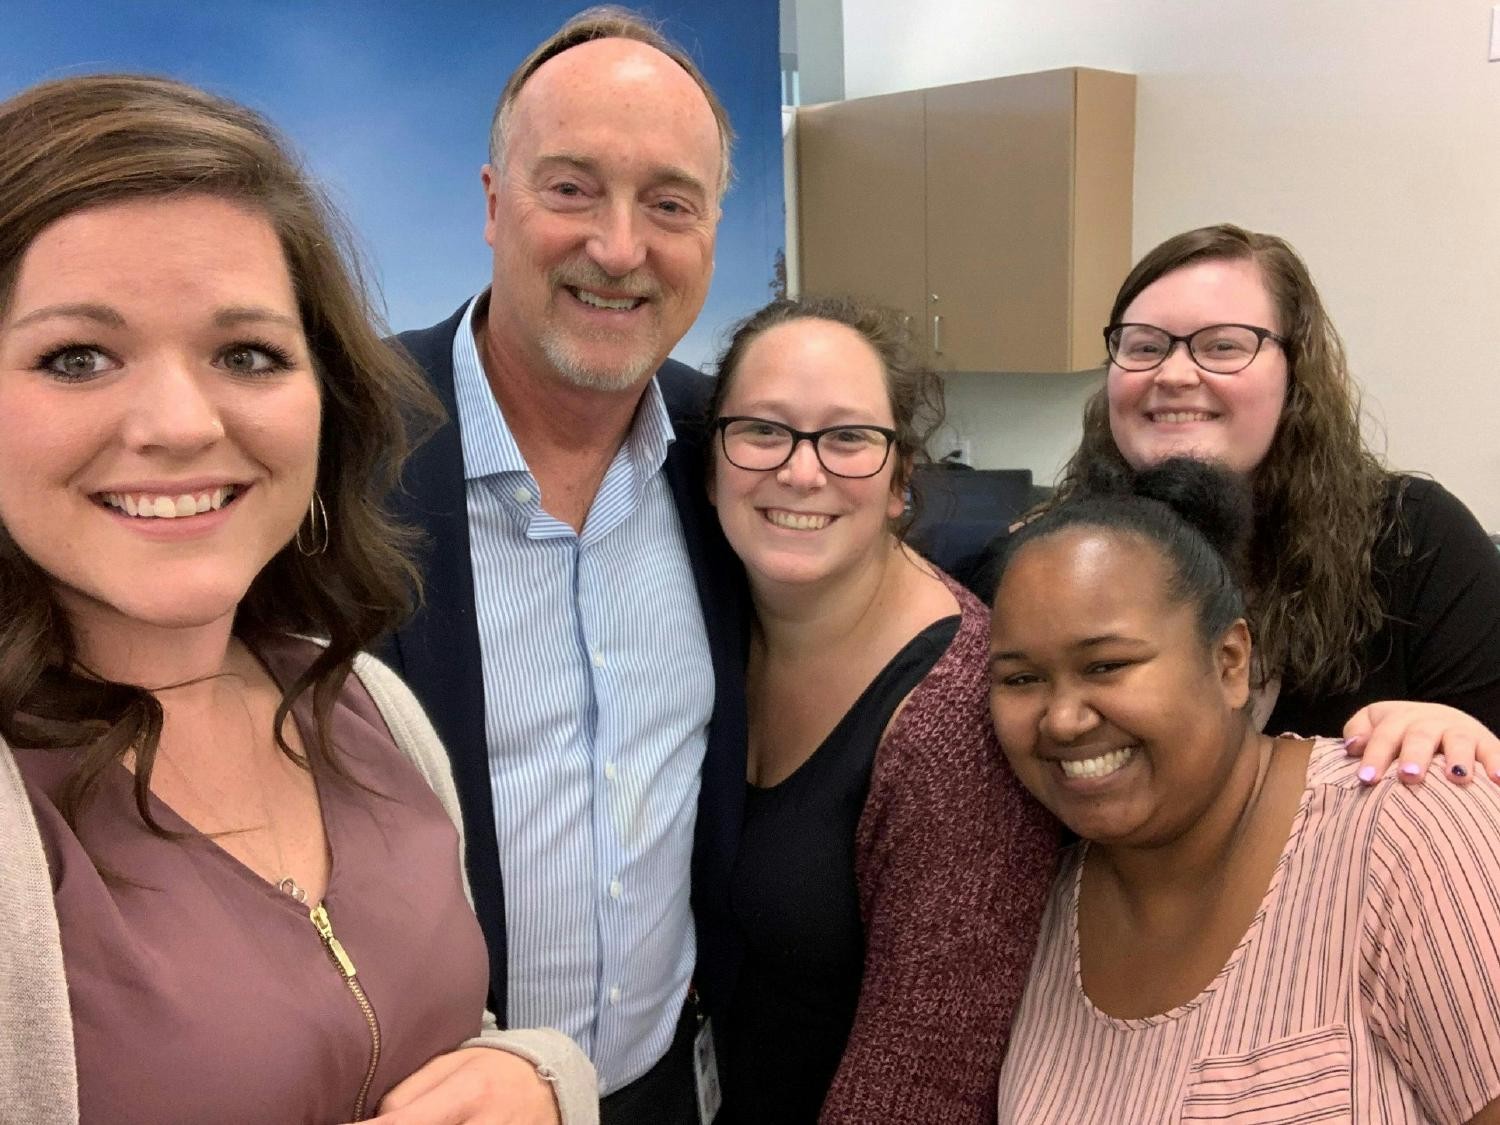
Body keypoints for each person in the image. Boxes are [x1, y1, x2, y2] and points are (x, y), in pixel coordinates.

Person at [0, 75, 595, 1125]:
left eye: (246, 354)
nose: (181, 422)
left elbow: (432, 1034)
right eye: (77, 357)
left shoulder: (365, 705)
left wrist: (541, 1075)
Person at [382, 9, 748, 1120]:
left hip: (665, 1089)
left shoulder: (732, 457)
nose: (621, 247)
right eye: (573, 189)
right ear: (495, 205)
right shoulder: (337, 449)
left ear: (714, 229)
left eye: (670, 204)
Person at [988, 458, 1500, 1123]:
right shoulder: (1034, 908)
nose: (1062, 717)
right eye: (1021, 679)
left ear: (1231, 663)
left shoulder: (1406, 834)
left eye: (1107, 665)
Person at [702, 297, 1056, 1123]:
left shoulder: (955, 717)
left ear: (901, 482)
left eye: (849, 437)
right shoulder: (706, 627)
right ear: (712, 458)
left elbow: (926, 1082)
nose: (801, 470)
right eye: (763, 429)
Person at [1046, 223, 1500, 777]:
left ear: (1295, 375)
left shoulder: (1417, 540)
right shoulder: (1057, 560)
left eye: (1222, 346)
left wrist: (1465, 739)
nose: (1173, 374)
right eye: (1144, 346)